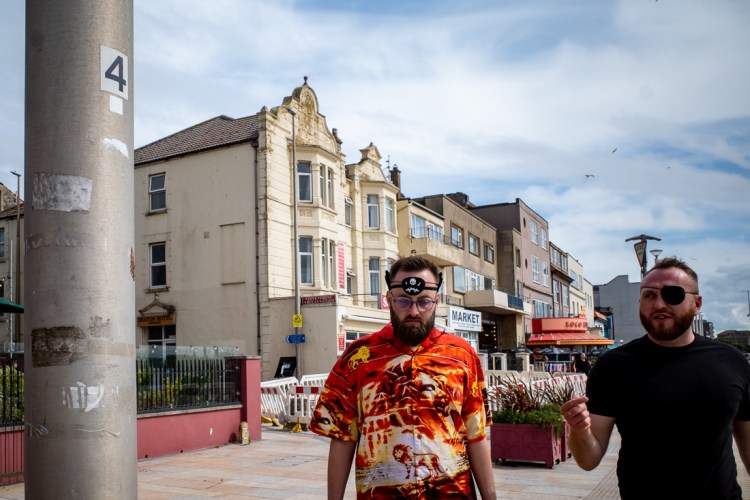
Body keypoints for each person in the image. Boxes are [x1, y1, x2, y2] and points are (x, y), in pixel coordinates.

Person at [561, 256, 750, 499]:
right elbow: (588, 461)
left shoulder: (732, 362)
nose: (659, 303)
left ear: (697, 303)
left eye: (673, 294)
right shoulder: (613, 366)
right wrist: (579, 430)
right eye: (649, 295)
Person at [309, 255, 497, 499]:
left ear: (437, 300)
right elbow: (342, 438)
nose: (414, 311)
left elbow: (476, 435)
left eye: (424, 302)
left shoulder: (462, 355)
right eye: (404, 301)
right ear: (389, 300)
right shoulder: (358, 357)